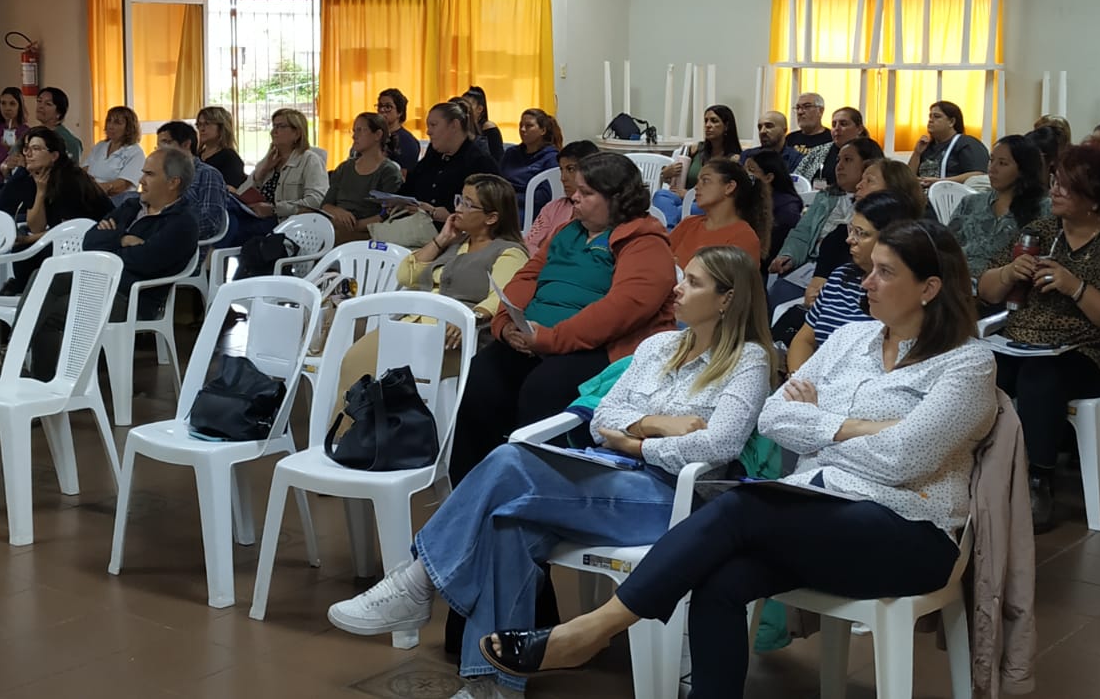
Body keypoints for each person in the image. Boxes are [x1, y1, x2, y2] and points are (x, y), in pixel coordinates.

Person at [478, 223, 993, 699]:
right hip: (823, 507)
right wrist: (865, 429)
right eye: (869, 269)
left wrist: (824, 423)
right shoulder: (851, 339)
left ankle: (591, 630)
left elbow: (904, 460)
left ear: (929, 288)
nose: (866, 283)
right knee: (720, 582)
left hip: (911, 532)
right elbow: (773, 416)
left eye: (885, 272)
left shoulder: (968, 363)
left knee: (744, 504)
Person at [328, 246, 774, 699]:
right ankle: (493, 684)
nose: (678, 288)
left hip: (672, 500)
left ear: (727, 299)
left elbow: (718, 446)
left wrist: (637, 442)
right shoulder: (659, 347)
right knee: (509, 524)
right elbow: (605, 420)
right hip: (613, 473)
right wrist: (655, 427)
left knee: (508, 461)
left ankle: (418, 580)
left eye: (695, 283)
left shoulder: (749, 362)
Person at [449, 152, 675, 483]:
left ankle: (530, 489)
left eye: (586, 193)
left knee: (544, 390)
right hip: (535, 339)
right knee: (481, 379)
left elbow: (620, 311)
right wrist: (506, 325)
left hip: (600, 350)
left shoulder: (645, 242)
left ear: (615, 198)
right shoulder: (568, 232)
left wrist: (549, 339)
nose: (574, 197)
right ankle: (473, 486)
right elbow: (526, 278)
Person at [977, 143, 1100, 531]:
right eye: (1054, 182)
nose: (1054, 191)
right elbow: (986, 291)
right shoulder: (1037, 232)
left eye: (1066, 186)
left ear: (1095, 198)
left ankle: (1037, 480)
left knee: (1040, 378)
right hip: (1019, 341)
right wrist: (1009, 273)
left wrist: (1076, 287)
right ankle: (971, 467)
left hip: (1082, 351)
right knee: (975, 370)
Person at [336, 174, 529, 395]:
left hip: (454, 338)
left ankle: (364, 426)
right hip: (415, 324)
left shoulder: (508, 252)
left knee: (369, 371)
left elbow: (501, 296)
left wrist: (472, 317)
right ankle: (346, 428)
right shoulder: (456, 241)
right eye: (460, 200)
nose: (458, 209)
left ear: (491, 218)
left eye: (468, 204)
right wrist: (442, 239)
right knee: (354, 362)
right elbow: (405, 275)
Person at [26, 149, 199, 383]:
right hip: (98, 282)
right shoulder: (131, 206)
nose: (140, 180)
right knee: (43, 276)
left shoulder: (182, 223)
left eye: (149, 174)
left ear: (172, 182)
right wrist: (122, 239)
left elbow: (144, 262)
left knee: (54, 311)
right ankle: (19, 360)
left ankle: (41, 382)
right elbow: (89, 240)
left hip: (130, 297)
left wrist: (112, 243)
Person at [0, 126, 114, 294]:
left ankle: (27, 294)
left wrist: (29, 239)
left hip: (94, 236)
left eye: (35, 149)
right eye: (27, 148)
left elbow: (69, 228)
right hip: (62, 237)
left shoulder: (70, 180)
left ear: (54, 156)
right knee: (24, 251)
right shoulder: (32, 177)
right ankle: (20, 293)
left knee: (32, 251)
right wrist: (40, 192)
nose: (28, 154)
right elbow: (36, 227)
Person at [784, 191, 915, 373]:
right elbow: (804, 339)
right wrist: (797, 379)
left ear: (891, 238)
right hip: (813, 380)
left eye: (861, 233)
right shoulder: (840, 277)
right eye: (850, 229)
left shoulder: (898, 293)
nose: (849, 239)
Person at [801, 157, 922, 307]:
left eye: (869, 181)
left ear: (894, 190)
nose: (858, 185)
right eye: (854, 231)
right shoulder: (838, 237)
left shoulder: (918, 243)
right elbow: (816, 289)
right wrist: (815, 294)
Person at [769, 138, 883, 283]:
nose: (839, 166)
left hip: (846, 269)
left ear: (868, 165)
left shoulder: (877, 206)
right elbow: (803, 231)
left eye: (847, 160)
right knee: (779, 289)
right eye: (838, 160)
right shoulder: (825, 196)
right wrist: (789, 255)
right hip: (809, 264)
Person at [391, 101, 501, 248]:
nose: (428, 131)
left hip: (455, 237)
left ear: (454, 125)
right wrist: (396, 200)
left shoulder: (479, 162)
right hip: (416, 228)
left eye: (433, 125)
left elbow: (486, 211)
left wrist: (434, 212)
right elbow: (410, 185)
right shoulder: (433, 156)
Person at [219, 108, 328, 251]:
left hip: (283, 222)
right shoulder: (270, 158)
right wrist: (262, 171)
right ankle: (212, 260)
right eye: (274, 126)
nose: (273, 131)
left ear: (297, 133)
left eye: (281, 127)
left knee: (230, 229)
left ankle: (210, 263)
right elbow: (241, 193)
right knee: (226, 206)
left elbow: (316, 200)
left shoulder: (310, 160)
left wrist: (274, 210)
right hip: (256, 215)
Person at [946, 135, 1049, 280]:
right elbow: (946, 247)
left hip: (1008, 288)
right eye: (991, 160)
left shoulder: (1043, 208)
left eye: (1002, 163)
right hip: (960, 284)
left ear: (1023, 169)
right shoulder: (970, 203)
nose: (992, 169)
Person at [318, 112, 403, 245]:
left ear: (378, 135)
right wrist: (338, 212)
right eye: (353, 131)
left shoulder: (389, 172)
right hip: (336, 225)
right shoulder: (345, 168)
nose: (354, 136)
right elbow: (326, 204)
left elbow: (387, 214)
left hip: (365, 233)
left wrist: (356, 225)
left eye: (360, 130)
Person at [668, 159, 768, 270]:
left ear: (729, 187)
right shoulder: (688, 223)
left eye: (705, 180)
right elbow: (661, 257)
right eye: (698, 181)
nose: (696, 187)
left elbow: (730, 283)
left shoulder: (744, 237)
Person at [155, 120, 234, 242]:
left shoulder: (207, 174)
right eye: (159, 145)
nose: (160, 150)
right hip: (155, 237)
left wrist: (167, 231)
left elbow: (210, 222)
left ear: (186, 144)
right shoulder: (160, 174)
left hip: (184, 243)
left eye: (166, 143)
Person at [523, 141, 597, 257]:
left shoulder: (601, 211)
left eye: (570, 169)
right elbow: (529, 245)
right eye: (561, 170)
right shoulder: (552, 208)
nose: (563, 178)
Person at [500, 108, 563, 221]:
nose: (523, 129)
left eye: (529, 126)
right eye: (521, 125)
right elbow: (498, 180)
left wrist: (512, 198)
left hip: (529, 209)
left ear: (542, 130)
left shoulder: (551, 158)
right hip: (502, 203)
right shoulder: (511, 153)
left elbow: (545, 195)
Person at [908, 101, 989, 185]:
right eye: (930, 116)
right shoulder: (926, 146)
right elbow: (907, 178)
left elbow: (978, 175)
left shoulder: (967, 143)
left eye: (937, 116)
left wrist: (941, 182)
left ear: (951, 122)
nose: (930, 120)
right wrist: (917, 153)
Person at [81, 105, 148, 201]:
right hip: (92, 196)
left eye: (117, 123)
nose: (110, 126)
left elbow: (121, 186)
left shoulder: (135, 153)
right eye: (109, 121)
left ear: (129, 128)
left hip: (117, 202)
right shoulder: (100, 146)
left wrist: (93, 188)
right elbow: (84, 172)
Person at [744, 150, 801, 261]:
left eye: (751, 171)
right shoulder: (748, 198)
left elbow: (771, 251)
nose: (745, 175)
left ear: (768, 177)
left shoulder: (787, 210)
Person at [794, 105, 865, 188]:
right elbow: (797, 179)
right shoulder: (817, 151)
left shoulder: (868, 152)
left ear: (859, 129)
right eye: (834, 125)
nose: (837, 128)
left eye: (843, 124)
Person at [677, 105, 743, 191]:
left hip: (707, 202)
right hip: (681, 199)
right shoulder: (696, 150)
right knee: (661, 195)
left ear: (726, 126)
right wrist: (665, 173)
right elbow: (676, 180)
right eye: (706, 121)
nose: (708, 125)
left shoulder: (734, 159)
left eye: (714, 121)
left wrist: (690, 196)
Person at [194, 106, 246, 188]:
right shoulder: (196, 156)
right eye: (199, 124)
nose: (201, 129)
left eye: (207, 124)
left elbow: (232, 190)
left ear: (221, 127)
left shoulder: (230, 158)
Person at [0, 86, 29, 173]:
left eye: (12, 104)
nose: (7, 108)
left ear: (19, 106)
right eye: (3, 103)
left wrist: (12, 148)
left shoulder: (25, 131)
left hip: (10, 177)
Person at [376, 88, 422, 176]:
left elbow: (402, 177)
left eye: (388, 107)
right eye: (380, 106)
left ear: (399, 112)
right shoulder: (374, 135)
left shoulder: (407, 141)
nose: (382, 110)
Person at [742, 110, 801, 175]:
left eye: (769, 126)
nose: (762, 131)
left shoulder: (796, 159)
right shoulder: (747, 155)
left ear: (784, 130)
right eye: (760, 127)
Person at [34, 86, 84, 161]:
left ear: (59, 113)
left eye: (48, 104)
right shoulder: (33, 132)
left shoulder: (67, 141)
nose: (40, 106)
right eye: (39, 101)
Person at [462, 86, 505, 164]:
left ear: (479, 109)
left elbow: (497, 159)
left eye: (467, 106)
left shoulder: (488, 127)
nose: (463, 110)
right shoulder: (460, 126)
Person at [783, 92, 831, 158]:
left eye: (807, 106)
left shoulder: (832, 139)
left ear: (820, 111)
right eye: (798, 108)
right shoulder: (790, 139)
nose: (800, 112)